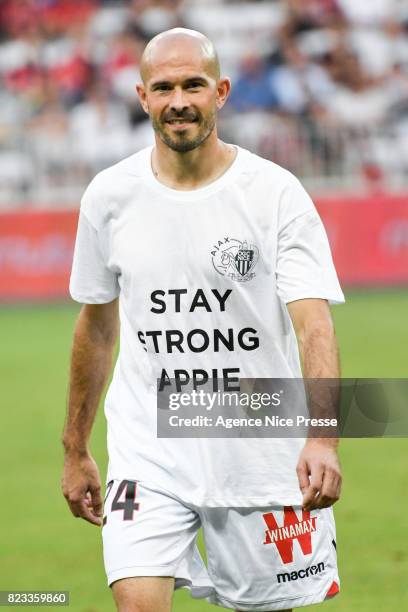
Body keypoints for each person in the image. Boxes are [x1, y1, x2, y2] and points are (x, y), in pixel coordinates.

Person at [61, 27, 345, 612]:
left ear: (221, 92)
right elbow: (97, 325)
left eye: (193, 85)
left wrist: (322, 437)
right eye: (163, 87)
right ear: (142, 97)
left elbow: (312, 322)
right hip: (149, 447)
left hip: (257, 447)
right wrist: (75, 447)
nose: (179, 101)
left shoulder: (275, 194)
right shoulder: (109, 196)